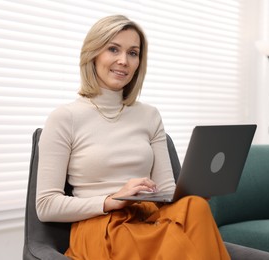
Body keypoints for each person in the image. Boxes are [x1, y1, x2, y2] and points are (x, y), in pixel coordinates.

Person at [36, 14, 230, 260]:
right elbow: (46, 206)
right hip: (103, 224)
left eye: (133, 53)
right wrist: (112, 199)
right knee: (179, 245)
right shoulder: (65, 117)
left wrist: (187, 195)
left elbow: (166, 191)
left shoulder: (149, 115)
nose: (123, 61)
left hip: (147, 217)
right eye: (113, 49)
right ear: (93, 54)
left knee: (196, 207)